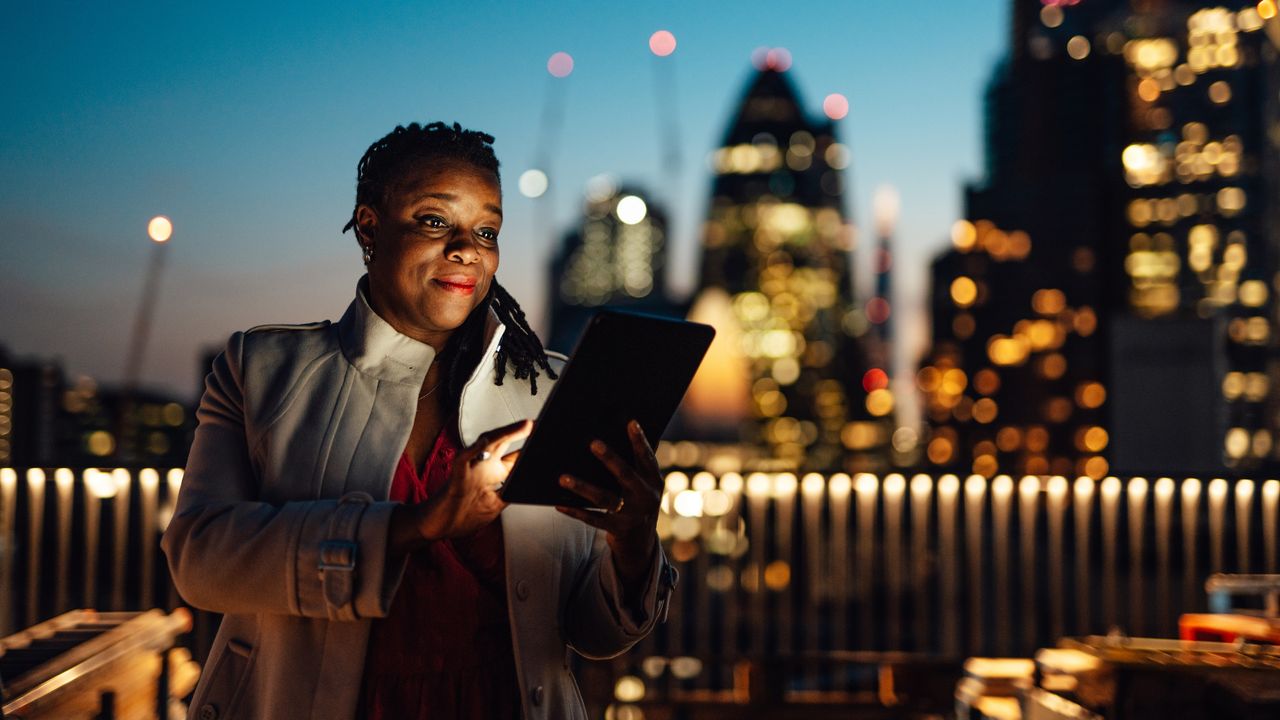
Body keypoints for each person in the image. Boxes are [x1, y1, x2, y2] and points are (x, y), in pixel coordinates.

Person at [162, 121, 676, 720]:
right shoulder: (261, 370)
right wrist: (418, 524)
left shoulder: (550, 390)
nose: (468, 249)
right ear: (370, 228)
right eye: (436, 221)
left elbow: (593, 633)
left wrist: (633, 538)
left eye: (487, 230)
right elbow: (199, 562)